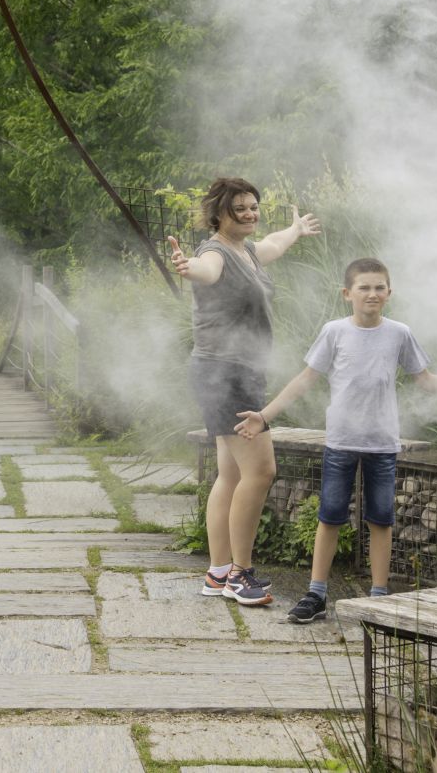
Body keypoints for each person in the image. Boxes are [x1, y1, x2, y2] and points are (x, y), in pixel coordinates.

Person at [234, 257, 437, 623]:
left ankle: (379, 597)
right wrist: (265, 416)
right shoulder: (334, 331)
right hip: (341, 441)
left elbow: (426, 379)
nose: (372, 294)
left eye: (380, 287)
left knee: (381, 518)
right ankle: (316, 594)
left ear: (389, 293)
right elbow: (304, 380)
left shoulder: (399, 333)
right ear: (347, 293)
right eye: (364, 287)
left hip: (382, 443)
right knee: (329, 517)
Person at [167, 177, 320, 606]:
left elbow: (272, 244)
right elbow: (205, 270)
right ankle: (240, 574)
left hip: (233, 372)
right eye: (241, 208)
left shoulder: (247, 251)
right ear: (219, 214)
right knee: (260, 472)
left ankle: (218, 573)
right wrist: (187, 267)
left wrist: (295, 231)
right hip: (225, 374)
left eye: (254, 206)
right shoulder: (215, 252)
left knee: (231, 475)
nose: (251, 214)